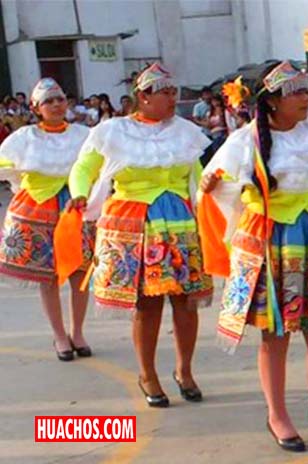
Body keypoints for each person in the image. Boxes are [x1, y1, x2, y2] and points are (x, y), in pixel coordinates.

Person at [200, 61, 308, 452]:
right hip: (272, 236)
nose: (306, 97)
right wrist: (213, 185)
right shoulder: (245, 142)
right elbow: (224, 187)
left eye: (306, 89)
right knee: (274, 331)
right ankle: (277, 414)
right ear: (271, 101)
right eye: (296, 92)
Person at [67, 62, 213, 408]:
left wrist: (212, 188)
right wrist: (80, 192)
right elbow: (83, 166)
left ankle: (184, 370)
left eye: (174, 92)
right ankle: (147, 374)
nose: (172, 98)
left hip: (179, 223)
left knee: (186, 301)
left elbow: (197, 174)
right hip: (134, 222)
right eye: (165, 92)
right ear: (143, 97)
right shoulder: (112, 131)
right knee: (147, 304)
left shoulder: (185, 132)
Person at [0, 78, 93, 361]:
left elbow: (96, 165)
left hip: (75, 204)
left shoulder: (83, 134)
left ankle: (78, 332)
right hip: (38, 206)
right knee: (48, 274)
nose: (55, 105)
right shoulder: (24, 137)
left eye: (59, 99)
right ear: (36, 108)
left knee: (80, 271)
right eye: (48, 102)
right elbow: (6, 165)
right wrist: (23, 184)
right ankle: (60, 335)